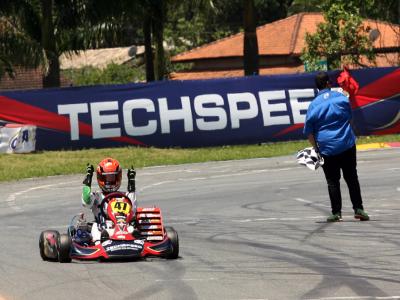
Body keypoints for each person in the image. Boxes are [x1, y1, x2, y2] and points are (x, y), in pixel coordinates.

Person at [303, 71, 369, 222]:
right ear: (328, 83)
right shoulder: (341, 98)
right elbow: (350, 119)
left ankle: (336, 213)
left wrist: (317, 149)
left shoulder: (313, 105)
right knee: (351, 177)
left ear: (317, 87)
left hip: (327, 148)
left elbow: (309, 132)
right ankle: (358, 208)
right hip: (346, 144)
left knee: (332, 181)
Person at [81, 157, 137, 243]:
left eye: (112, 177)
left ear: (118, 177)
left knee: (132, 228)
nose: (110, 181)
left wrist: (131, 184)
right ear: (101, 178)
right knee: (95, 226)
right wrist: (88, 180)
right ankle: (100, 243)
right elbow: (86, 201)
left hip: (123, 228)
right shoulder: (97, 196)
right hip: (103, 228)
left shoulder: (124, 196)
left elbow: (132, 209)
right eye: (107, 178)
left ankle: (134, 240)